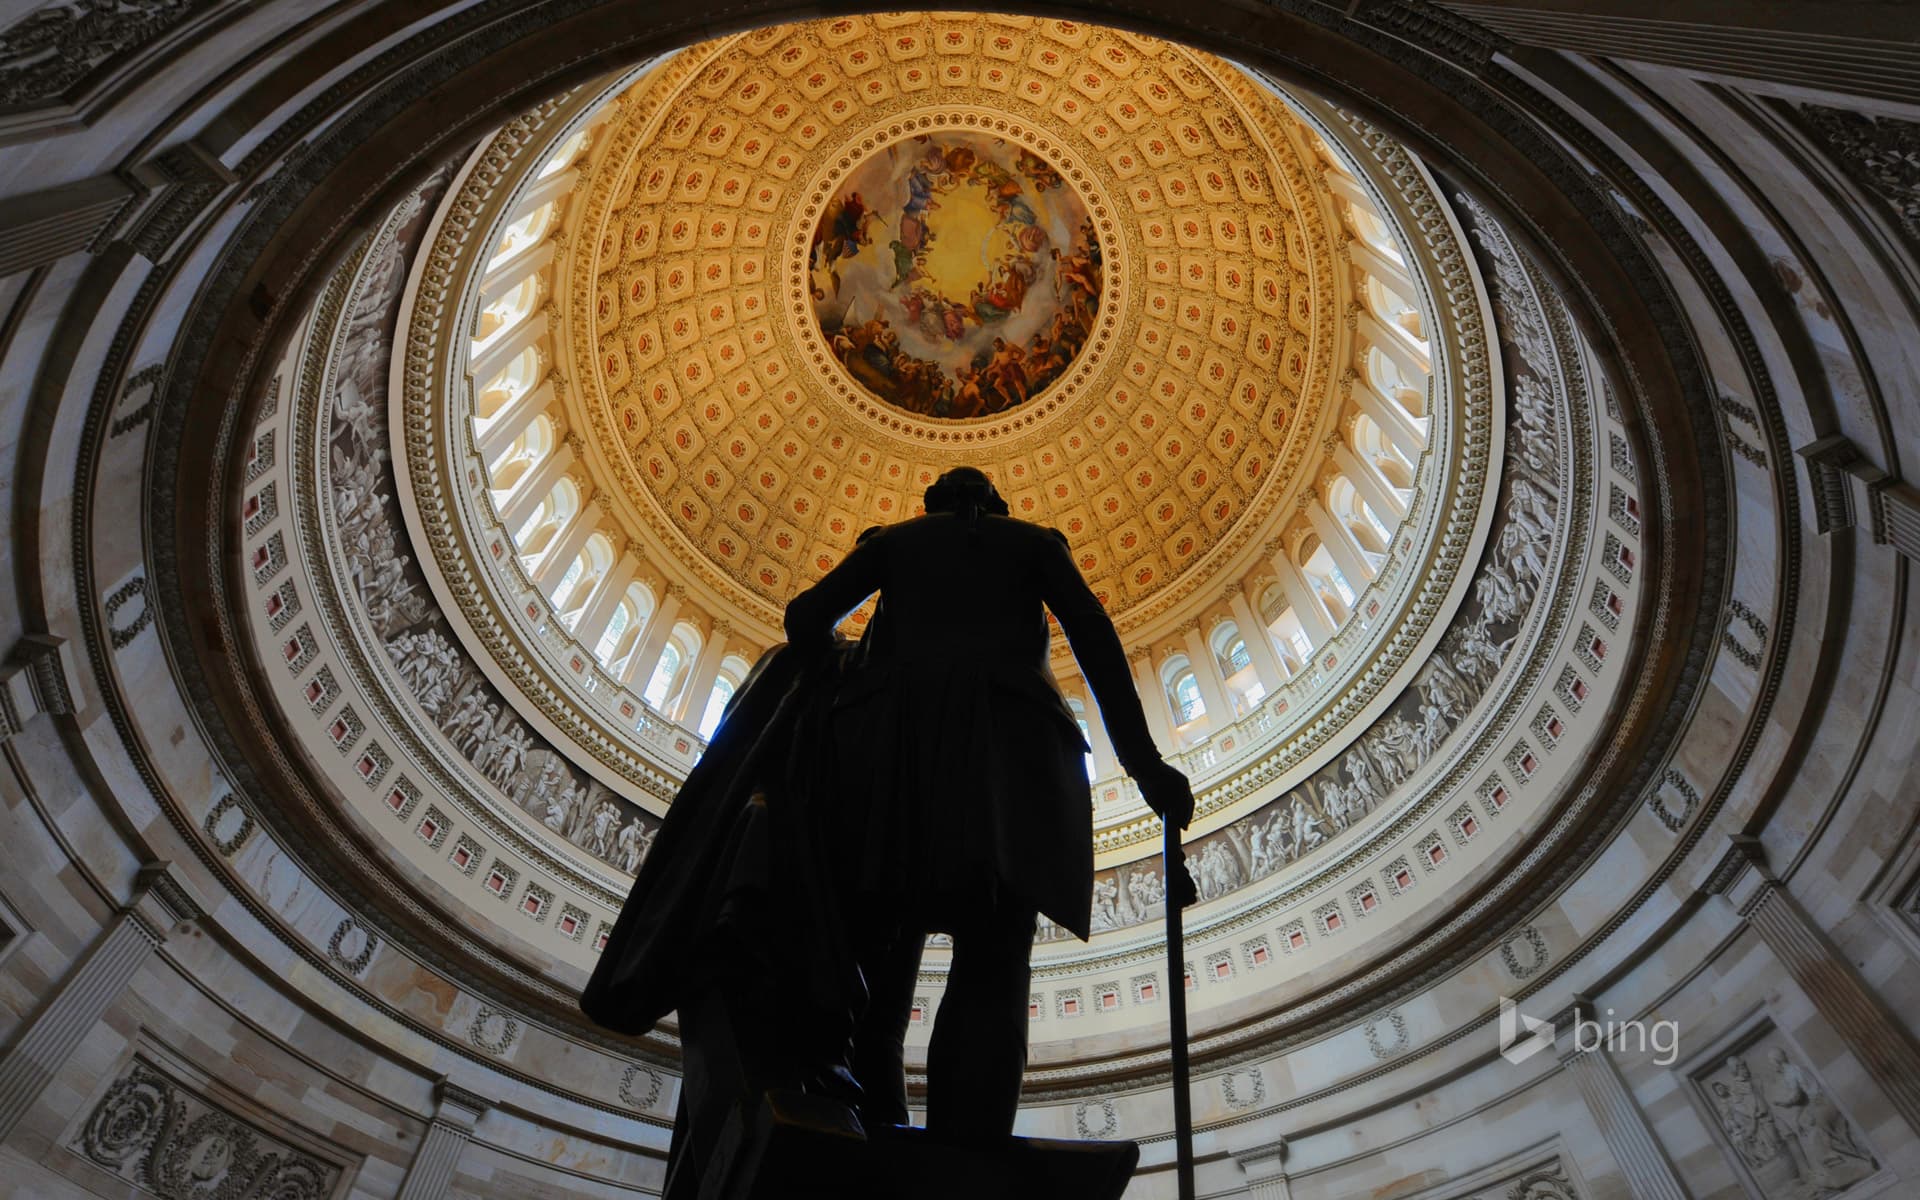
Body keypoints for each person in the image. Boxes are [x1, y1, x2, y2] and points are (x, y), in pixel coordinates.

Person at [784, 466, 1194, 1137]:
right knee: (994, 961)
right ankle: (967, 1156)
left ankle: (869, 1130)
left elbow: (805, 617)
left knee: (876, 987)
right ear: (995, 506)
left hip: (891, 759)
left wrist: (852, 667)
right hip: (1008, 758)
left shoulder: (893, 542)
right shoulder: (1032, 542)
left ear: (932, 505)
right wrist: (1145, 765)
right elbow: (1094, 637)